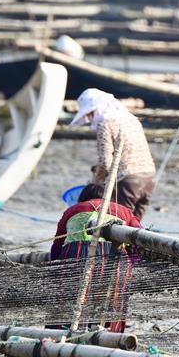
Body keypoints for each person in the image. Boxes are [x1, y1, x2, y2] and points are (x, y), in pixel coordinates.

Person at [49, 197, 142, 333]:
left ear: (84, 198)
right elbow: (139, 240)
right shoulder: (125, 212)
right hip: (114, 259)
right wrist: (131, 264)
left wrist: (55, 270)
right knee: (111, 300)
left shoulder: (73, 210)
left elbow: (57, 246)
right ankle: (109, 339)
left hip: (76, 256)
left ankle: (60, 337)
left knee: (67, 301)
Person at [70, 89, 156, 220]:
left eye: (91, 113)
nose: (90, 118)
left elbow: (105, 162)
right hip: (149, 177)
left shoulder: (105, 124)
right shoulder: (131, 119)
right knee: (135, 227)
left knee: (118, 225)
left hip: (127, 180)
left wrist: (96, 181)